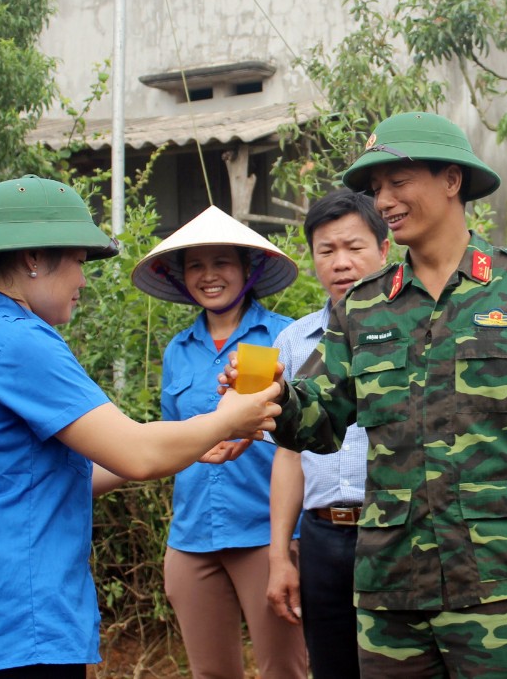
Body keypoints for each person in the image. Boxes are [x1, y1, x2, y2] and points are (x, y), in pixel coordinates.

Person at [257, 111, 507, 679]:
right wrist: (276, 399)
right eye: (376, 187)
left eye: (398, 181)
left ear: (452, 180)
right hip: (392, 594)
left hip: (501, 583)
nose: (383, 199)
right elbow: (325, 419)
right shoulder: (360, 306)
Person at [0, 176, 281, 678]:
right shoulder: (19, 341)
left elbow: (60, 475)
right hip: (21, 620)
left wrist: (196, 443)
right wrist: (229, 417)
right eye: (79, 262)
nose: (83, 281)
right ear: (34, 259)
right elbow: (136, 451)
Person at [130, 205, 307, 679]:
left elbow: (307, 437)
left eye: (221, 263)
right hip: (192, 539)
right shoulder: (178, 350)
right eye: (195, 265)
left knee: (283, 671)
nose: (209, 276)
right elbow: (169, 440)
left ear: (248, 271)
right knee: (210, 673)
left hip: (266, 537)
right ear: (182, 277)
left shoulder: (284, 337)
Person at [265, 191, 390, 679]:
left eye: (354, 247)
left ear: (384, 249)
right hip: (322, 536)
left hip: (396, 534)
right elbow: (288, 456)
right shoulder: (293, 343)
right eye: (326, 250)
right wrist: (280, 556)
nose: (341, 263)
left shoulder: (412, 330)